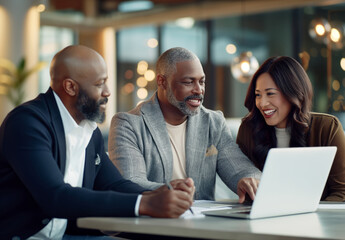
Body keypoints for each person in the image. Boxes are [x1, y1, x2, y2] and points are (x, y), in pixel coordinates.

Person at [0, 45, 195, 240]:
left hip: (67, 234)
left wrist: (158, 192)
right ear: (70, 87)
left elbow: (112, 183)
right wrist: (145, 204)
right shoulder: (27, 123)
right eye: (99, 84)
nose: (108, 92)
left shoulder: (88, 127)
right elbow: (55, 197)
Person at [108, 47, 261, 202]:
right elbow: (130, 182)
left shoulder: (213, 122)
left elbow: (240, 168)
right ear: (162, 81)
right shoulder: (128, 124)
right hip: (152, 222)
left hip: (203, 223)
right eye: (188, 82)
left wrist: (250, 180)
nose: (199, 90)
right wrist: (170, 189)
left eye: (202, 82)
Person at [236, 56, 345, 201]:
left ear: (292, 93)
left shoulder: (327, 128)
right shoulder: (248, 129)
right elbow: (247, 190)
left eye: (270, 93)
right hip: (264, 219)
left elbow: (342, 192)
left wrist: (308, 215)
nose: (262, 103)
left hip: (316, 220)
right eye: (258, 95)